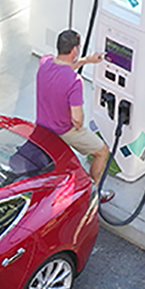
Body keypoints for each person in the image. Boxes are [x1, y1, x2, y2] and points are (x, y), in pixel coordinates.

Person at [35, 29, 114, 203]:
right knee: (102, 152)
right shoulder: (74, 81)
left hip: (42, 126)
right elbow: (77, 119)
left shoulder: (44, 62)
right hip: (64, 131)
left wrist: (87, 60)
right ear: (75, 50)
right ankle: (95, 190)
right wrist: (79, 125)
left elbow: (62, 68)